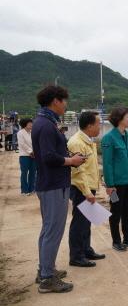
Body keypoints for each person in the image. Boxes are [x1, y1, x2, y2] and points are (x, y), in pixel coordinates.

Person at [32, 85, 86, 293]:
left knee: (48, 229)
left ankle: (45, 270)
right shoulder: (46, 125)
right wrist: (70, 160)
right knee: (53, 231)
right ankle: (47, 278)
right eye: (65, 101)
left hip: (50, 183)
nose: (66, 105)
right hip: (53, 185)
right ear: (56, 100)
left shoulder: (43, 122)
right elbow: (47, 156)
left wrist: (70, 159)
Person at [101, 107, 128, 251]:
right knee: (115, 211)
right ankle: (116, 241)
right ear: (119, 119)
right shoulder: (108, 138)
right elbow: (107, 163)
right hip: (116, 185)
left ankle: (127, 238)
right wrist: (109, 184)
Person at [67, 111, 105, 267]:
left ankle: (86, 249)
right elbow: (78, 171)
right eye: (98, 123)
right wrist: (87, 192)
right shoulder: (77, 142)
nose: (100, 126)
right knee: (79, 222)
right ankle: (76, 256)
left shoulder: (88, 140)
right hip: (81, 188)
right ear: (90, 125)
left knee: (86, 221)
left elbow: (91, 167)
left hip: (89, 187)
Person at [17, 118, 36, 195]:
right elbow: (22, 144)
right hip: (24, 155)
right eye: (29, 123)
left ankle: (32, 189)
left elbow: (35, 143)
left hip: (34, 155)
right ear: (25, 124)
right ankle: (24, 190)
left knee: (33, 172)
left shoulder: (32, 132)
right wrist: (31, 152)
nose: (31, 125)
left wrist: (35, 151)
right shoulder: (20, 133)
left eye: (31, 123)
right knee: (24, 173)